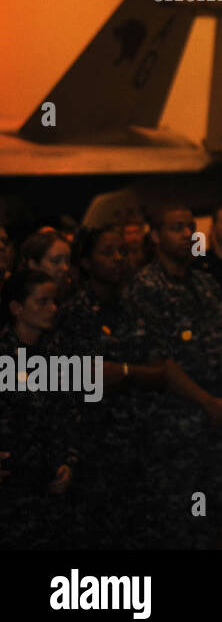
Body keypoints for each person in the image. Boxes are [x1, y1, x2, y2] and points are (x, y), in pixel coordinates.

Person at [123, 203, 222, 549]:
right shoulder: (145, 287)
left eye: (191, 226)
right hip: (174, 431)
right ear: (156, 236)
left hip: (215, 428)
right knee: (176, 521)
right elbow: (160, 362)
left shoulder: (205, 284)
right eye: (177, 227)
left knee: (206, 512)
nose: (188, 234)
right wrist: (208, 402)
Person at [57, 226, 171, 549]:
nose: (119, 258)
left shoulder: (139, 310)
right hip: (91, 453)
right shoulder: (71, 315)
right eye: (108, 252)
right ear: (87, 263)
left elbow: (161, 373)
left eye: (123, 251)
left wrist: (125, 372)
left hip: (140, 450)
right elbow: (65, 381)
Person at [0, 270, 77, 549]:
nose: (52, 309)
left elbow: (69, 412)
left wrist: (69, 460)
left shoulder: (57, 352)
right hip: (11, 491)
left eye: (54, 301)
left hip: (51, 486)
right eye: (42, 302)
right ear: (17, 308)